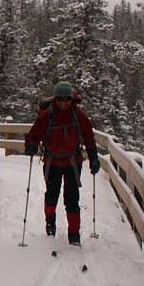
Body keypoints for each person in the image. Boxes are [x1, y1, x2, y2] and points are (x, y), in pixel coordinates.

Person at [24, 82, 100, 246]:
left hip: (73, 162)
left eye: (67, 99)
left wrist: (93, 156)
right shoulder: (47, 115)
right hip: (52, 161)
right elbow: (34, 133)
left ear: (71, 99)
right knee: (51, 195)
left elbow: (88, 135)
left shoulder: (78, 115)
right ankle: (50, 225)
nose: (63, 103)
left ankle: (74, 236)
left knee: (72, 198)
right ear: (55, 99)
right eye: (60, 99)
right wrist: (30, 144)